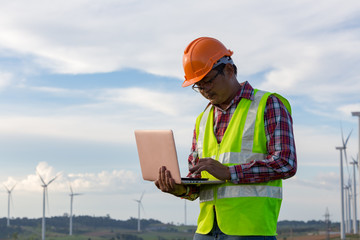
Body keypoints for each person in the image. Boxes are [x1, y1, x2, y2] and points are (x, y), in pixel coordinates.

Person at [155, 37, 297, 240]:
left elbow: (286, 163)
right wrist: (180, 188)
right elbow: (198, 180)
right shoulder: (202, 119)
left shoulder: (268, 104)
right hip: (205, 230)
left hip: (250, 231)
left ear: (229, 70)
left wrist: (229, 172)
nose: (204, 90)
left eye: (208, 81)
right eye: (198, 86)